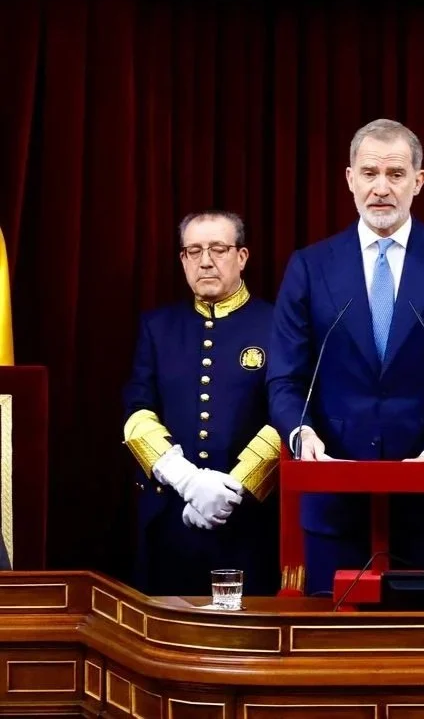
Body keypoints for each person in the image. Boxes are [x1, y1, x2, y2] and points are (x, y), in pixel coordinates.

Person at [267, 119, 424, 595]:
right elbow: (285, 377)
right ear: (349, 178)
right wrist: (301, 433)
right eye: (369, 173)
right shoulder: (311, 266)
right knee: (335, 635)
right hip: (335, 495)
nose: (381, 188)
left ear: (419, 180)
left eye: (395, 174)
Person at [123, 210, 280, 596]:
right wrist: (186, 480)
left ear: (241, 256)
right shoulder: (158, 327)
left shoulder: (277, 324)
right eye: (193, 251)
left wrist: (233, 489)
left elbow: (288, 415)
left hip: (250, 524)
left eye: (218, 249)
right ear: (183, 259)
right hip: (170, 519)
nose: (205, 261)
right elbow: (137, 412)